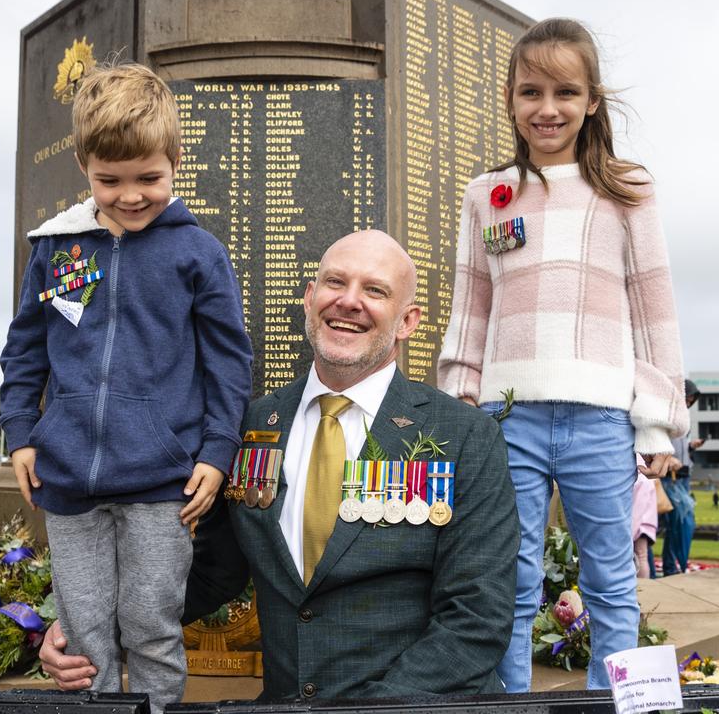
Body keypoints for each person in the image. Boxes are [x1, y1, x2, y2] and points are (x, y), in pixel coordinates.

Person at [41, 230, 518, 700]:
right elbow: (212, 573)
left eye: (375, 290)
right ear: (310, 298)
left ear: (407, 320)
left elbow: (476, 618)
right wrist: (87, 628)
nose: (348, 302)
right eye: (335, 283)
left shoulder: (465, 436)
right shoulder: (247, 427)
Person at [435, 18, 688, 692]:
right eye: (530, 92)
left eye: (565, 92)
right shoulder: (487, 194)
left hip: (600, 416)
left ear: (592, 101)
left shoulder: (626, 189)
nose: (547, 109)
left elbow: (653, 307)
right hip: (504, 419)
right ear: (512, 99)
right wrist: (463, 397)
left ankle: (620, 704)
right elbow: (472, 304)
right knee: (508, 579)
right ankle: (507, 706)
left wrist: (657, 419)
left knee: (612, 579)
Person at [0, 63, 252, 713]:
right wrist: (22, 434)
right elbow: (27, 348)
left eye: (150, 178)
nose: (131, 194)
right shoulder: (62, 251)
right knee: (85, 637)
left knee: (150, 628)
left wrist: (216, 451)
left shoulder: (198, 253)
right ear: (84, 166)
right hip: (69, 483)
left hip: (162, 484)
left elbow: (228, 361)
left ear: (174, 162)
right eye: (110, 181)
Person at [660, 380, 702, 576]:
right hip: (670, 476)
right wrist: (670, 459)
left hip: (682, 476)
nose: (689, 403)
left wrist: (691, 447)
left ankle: (674, 563)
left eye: (692, 400)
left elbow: (680, 446)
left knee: (682, 522)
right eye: (688, 398)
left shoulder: (684, 419)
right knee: (675, 523)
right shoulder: (669, 416)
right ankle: (670, 565)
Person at [630, 460, 658, 579]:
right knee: (642, 556)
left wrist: (630, 533)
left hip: (640, 525)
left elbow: (637, 509)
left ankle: (643, 586)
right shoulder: (646, 477)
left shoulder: (640, 478)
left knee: (641, 556)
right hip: (646, 523)